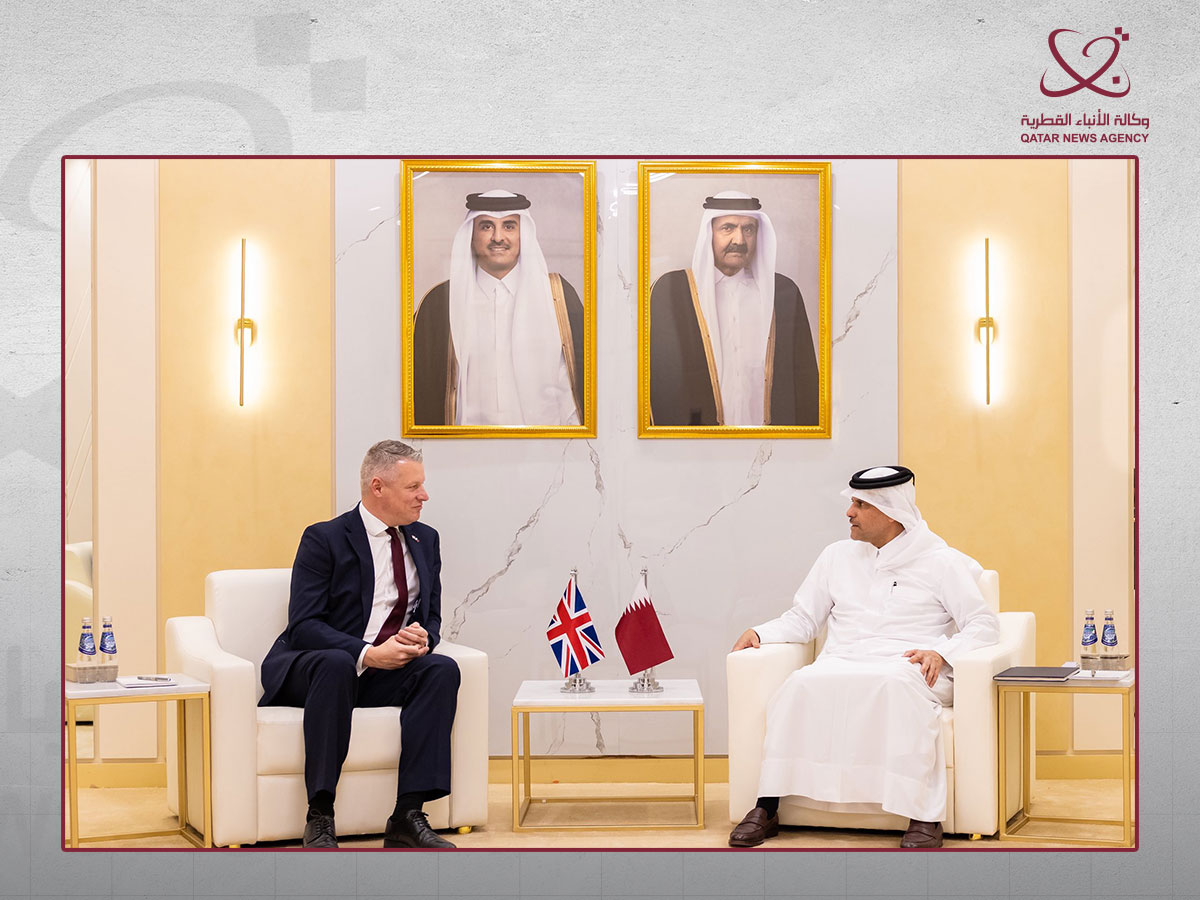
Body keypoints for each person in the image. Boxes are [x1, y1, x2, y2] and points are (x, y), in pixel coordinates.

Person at [728, 466, 999, 849]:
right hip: (844, 660)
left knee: (893, 684)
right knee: (798, 684)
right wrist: (761, 633)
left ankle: (924, 816)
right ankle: (767, 807)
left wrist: (942, 651)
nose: (849, 512)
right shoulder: (836, 556)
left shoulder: (941, 562)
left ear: (891, 512)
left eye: (860, 504)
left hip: (911, 667)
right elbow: (804, 618)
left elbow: (983, 624)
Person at [259, 440, 460, 849]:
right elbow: (304, 625)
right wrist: (368, 654)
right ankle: (319, 815)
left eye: (422, 485)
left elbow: (432, 615)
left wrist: (422, 637)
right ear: (378, 487)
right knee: (336, 663)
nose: (424, 495)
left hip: (379, 674)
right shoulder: (325, 538)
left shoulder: (426, 539)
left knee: (441, 669)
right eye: (413, 487)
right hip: (316, 670)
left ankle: (407, 814)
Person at [413, 189, 584, 426]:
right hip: (462, 445)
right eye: (486, 227)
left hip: (544, 444)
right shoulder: (439, 303)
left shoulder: (558, 296)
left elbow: (574, 387)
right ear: (471, 236)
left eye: (509, 226)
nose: (498, 237)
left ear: (523, 234)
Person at [649, 190, 819, 426]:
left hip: (768, 441)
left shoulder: (783, 293)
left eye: (748, 229)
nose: (739, 240)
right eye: (727, 228)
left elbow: (804, 379)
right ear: (709, 233)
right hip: (699, 442)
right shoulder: (672, 291)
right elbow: (659, 379)